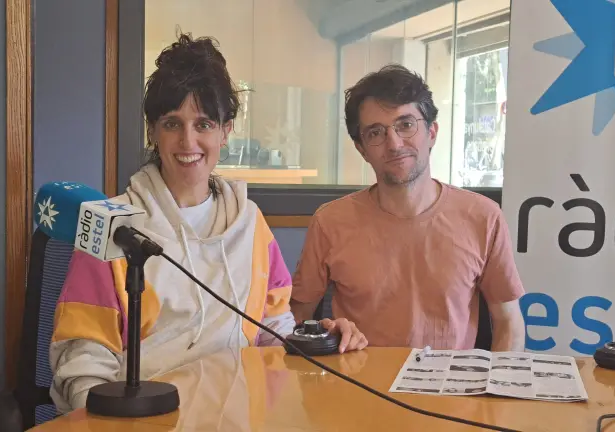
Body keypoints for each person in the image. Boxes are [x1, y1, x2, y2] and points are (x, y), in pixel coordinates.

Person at [49, 33, 367, 414]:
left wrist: (317, 340)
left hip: (235, 416)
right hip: (146, 420)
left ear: (225, 131)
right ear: (152, 130)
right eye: (172, 123)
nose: (188, 141)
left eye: (203, 124)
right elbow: (82, 365)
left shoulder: (251, 224)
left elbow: (273, 331)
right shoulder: (112, 229)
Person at [290, 64, 525, 352]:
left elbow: (509, 323)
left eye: (406, 125)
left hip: (450, 379)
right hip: (354, 380)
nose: (394, 143)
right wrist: (326, 332)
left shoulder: (483, 217)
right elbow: (295, 320)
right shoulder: (330, 222)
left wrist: (498, 380)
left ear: (432, 132)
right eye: (375, 133)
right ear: (361, 149)